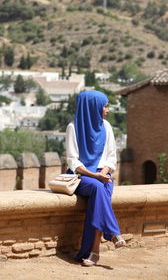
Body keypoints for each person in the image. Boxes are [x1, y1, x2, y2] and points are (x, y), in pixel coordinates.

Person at [66, 90, 126, 267]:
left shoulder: (106, 127)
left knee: (99, 196)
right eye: (104, 106)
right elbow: (72, 161)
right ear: (92, 107)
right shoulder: (73, 127)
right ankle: (114, 233)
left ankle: (94, 253)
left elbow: (111, 156)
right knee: (99, 188)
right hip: (81, 175)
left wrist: (104, 173)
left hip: (102, 174)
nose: (107, 110)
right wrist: (95, 175)